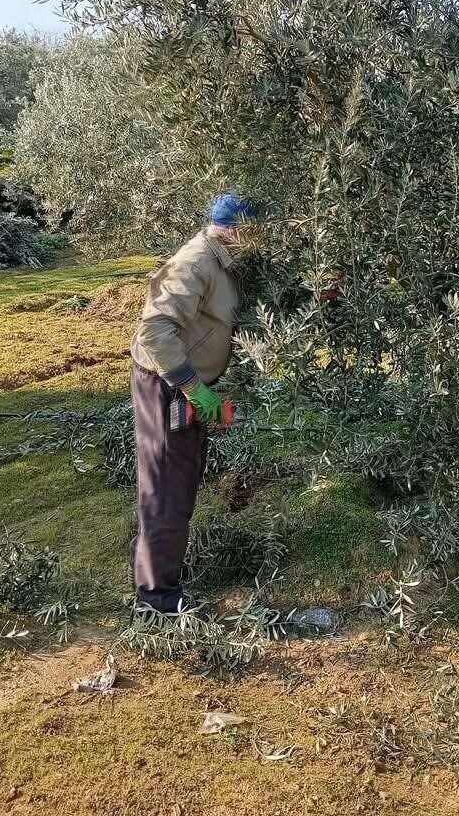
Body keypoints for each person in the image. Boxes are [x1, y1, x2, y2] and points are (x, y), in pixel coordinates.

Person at [128, 193, 265, 613]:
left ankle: (152, 569)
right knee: (168, 487)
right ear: (242, 229)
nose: (267, 240)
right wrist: (193, 387)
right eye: (262, 231)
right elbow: (154, 331)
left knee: (180, 478)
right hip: (165, 383)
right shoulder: (197, 261)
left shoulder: (228, 260)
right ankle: (156, 600)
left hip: (188, 383)